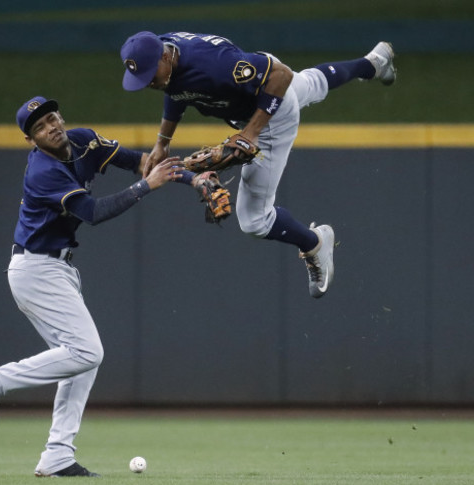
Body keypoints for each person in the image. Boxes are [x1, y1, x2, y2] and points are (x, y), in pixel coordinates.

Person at [0, 96, 183, 478]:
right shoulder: (43, 172)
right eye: (39, 127)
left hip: (57, 268)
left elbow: (139, 162)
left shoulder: (83, 140)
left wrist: (191, 170)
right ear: (32, 140)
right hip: (35, 269)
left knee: (79, 363)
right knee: (88, 351)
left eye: (52, 117)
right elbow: (94, 212)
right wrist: (147, 186)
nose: (51, 126)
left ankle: (57, 455)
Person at [120, 31, 397, 298]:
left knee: (254, 220)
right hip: (256, 80)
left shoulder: (213, 66)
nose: (147, 82)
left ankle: (315, 243)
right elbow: (177, 90)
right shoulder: (166, 51)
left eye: (148, 74)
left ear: (165, 58)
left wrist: (251, 133)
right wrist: (163, 142)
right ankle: (373, 63)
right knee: (311, 84)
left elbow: (280, 76)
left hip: (269, 113)